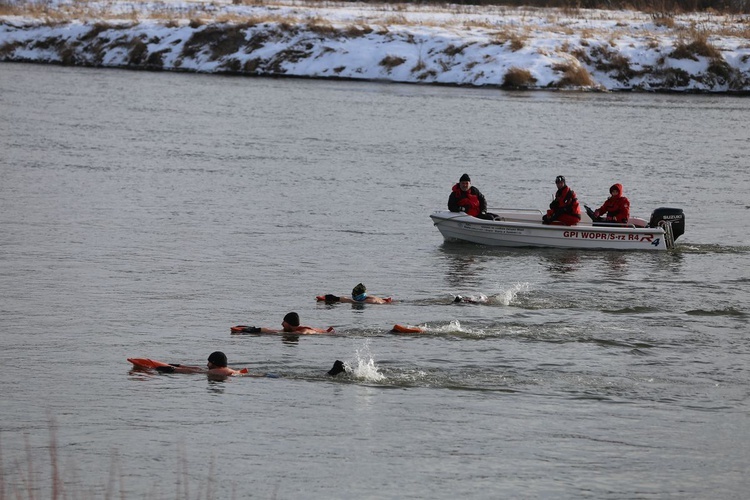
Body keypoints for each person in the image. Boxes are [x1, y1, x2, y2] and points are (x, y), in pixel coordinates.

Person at [154, 351, 247, 377]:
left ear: (214, 363)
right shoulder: (227, 370)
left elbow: (192, 371)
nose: (207, 365)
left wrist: (172, 370)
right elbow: (197, 368)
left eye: (209, 362)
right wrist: (177, 365)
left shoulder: (214, 372)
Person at [231, 312, 334, 335]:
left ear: (289, 323)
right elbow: (273, 331)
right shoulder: (291, 329)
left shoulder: (305, 330)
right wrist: (249, 329)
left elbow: (305, 333)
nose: (281, 324)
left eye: (284, 322)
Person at [319, 283, 392, 304]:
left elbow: (355, 302)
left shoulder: (370, 300)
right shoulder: (368, 297)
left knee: (350, 301)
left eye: (354, 294)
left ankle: (330, 298)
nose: (352, 295)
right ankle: (330, 298)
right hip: (384, 302)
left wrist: (345, 300)